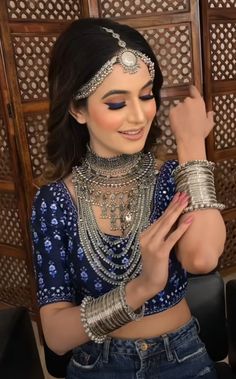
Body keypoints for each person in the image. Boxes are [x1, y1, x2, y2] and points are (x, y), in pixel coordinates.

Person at [31, 17, 226, 379]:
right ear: (77, 108)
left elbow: (202, 258)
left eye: (147, 95)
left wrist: (192, 146)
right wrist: (141, 288)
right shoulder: (55, 202)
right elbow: (56, 337)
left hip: (182, 356)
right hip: (97, 366)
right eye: (117, 103)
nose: (140, 116)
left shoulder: (169, 178)